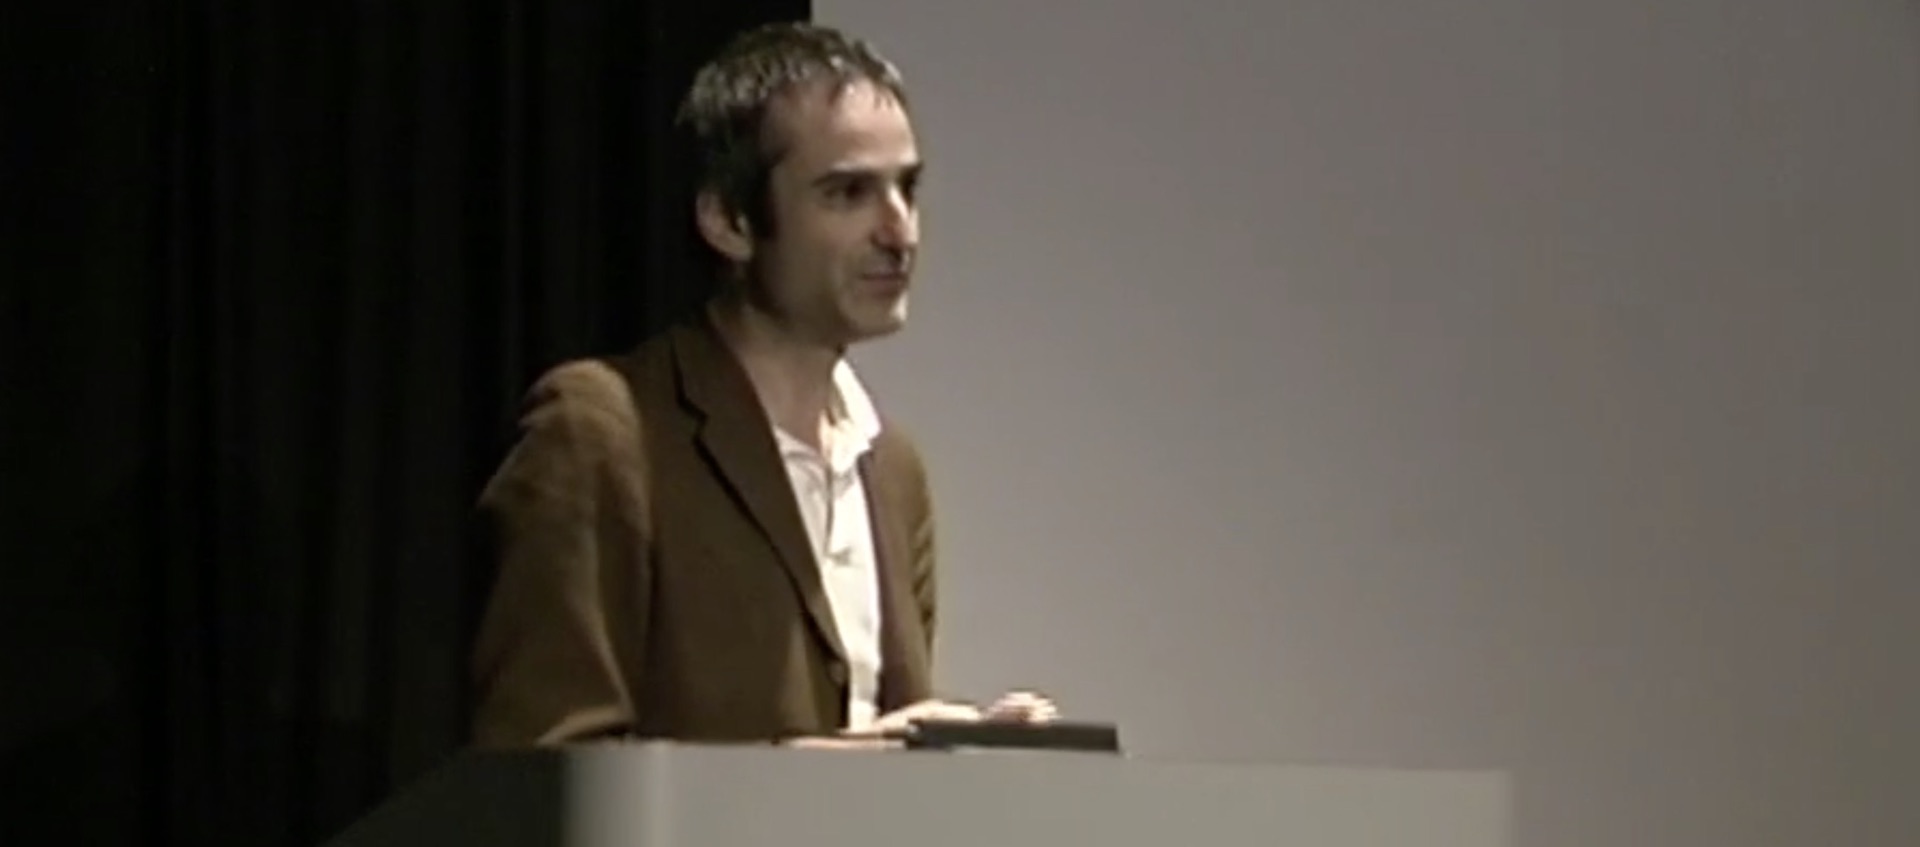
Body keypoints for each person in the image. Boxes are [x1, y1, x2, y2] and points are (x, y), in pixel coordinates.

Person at [467, 22, 1057, 748]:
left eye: (907, 188)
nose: (899, 230)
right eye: (848, 193)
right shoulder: (602, 429)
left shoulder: (893, 470)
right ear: (730, 221)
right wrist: (850, 764)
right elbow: (544, 775)